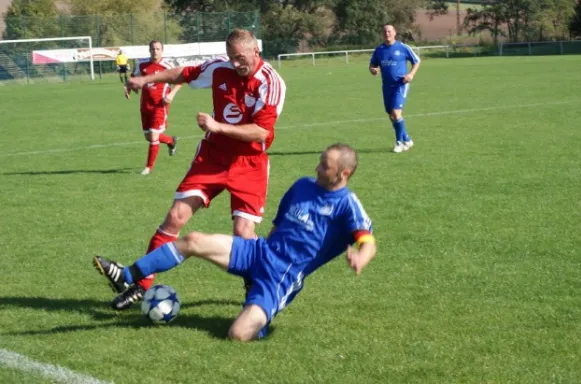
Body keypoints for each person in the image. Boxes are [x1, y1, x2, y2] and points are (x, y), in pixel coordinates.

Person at [93, 143, 376, 341]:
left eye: (324, 166)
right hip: (259, 252)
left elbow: (368, 241)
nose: (317, 168)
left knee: (238, 335)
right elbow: (278, 225)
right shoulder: (302, 185)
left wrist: (361, 258)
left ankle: (260, 320)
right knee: (193, 240)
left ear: (344, 174)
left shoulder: (347, 205)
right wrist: (258, 255)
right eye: (320, 161)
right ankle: (127, 274)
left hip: (280, 277)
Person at [107, 28, 286, 310]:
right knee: (175, 217)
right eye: (232, 58)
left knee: (244, 234)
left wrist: (218, 126)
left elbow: (262, 132)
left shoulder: (271, 82)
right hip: (213, 157)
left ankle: (256, 287)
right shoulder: (220, 68)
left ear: (256, 52)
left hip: (249, 163)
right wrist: (145, 78)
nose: (236, 64)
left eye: (240, 58)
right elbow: (184, 73)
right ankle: (140, 286)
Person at [125, 40, 182, 175]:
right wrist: (127, 87)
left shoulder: (167, 65)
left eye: (157, 49)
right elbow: (133, 78)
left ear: (162, 50)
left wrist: (172, 94)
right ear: (149, 50)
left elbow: (181, 79)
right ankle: (171, 141)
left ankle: (148, 168)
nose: (155, 51)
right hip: (145, 104)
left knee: (153, 135)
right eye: (153, 49)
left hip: (160, 105)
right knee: (149, 137)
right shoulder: (142, 64)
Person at [369, 24, 421, 153]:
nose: (387, 33)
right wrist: (373, 70)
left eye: (389, 31)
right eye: (385, 31)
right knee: (391, 116)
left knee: (396, 112)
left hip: (401, 84)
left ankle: (399, 143)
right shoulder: (379, 50)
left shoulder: (403, 47)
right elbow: (372, 65)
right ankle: (407, 139)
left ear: (395, 33)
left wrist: (411, 74)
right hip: (387, 86)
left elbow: (417, 60)